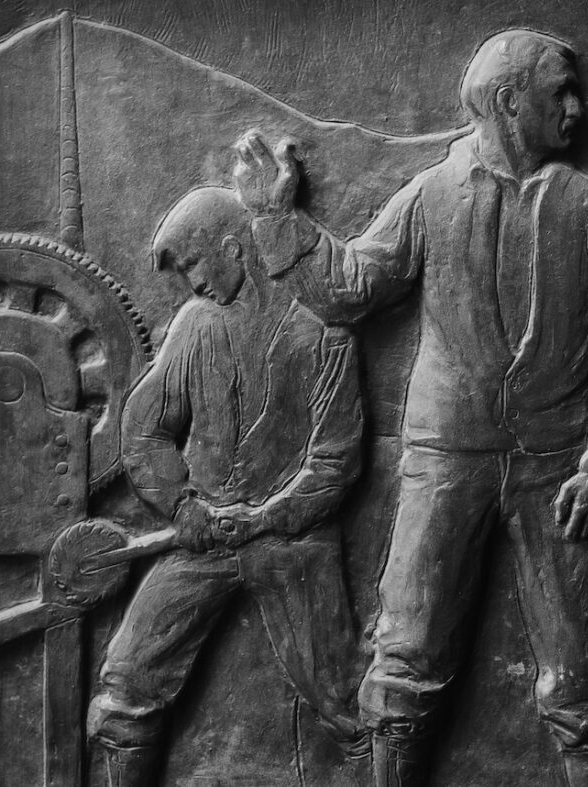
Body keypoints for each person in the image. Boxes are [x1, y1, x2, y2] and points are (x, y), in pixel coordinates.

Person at [231, 29, 588, 787]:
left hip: (558, 470)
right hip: (445, 459)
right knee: (405, 658)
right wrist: (278, 222)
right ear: (506, 101)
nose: (576, 108)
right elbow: (351, 289)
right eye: (558, 91)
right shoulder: (432, 194)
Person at [86, 186, 369, 786]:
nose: (190, 283)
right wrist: (181, 503)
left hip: (294, 546)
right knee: (125, 685)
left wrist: (266, 517)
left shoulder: (324, 335)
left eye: (192, 265)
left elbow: (335, 464)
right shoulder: (194, 328)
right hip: (203, 541)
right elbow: (143, 433)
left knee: (349, 705)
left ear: (235, 249)